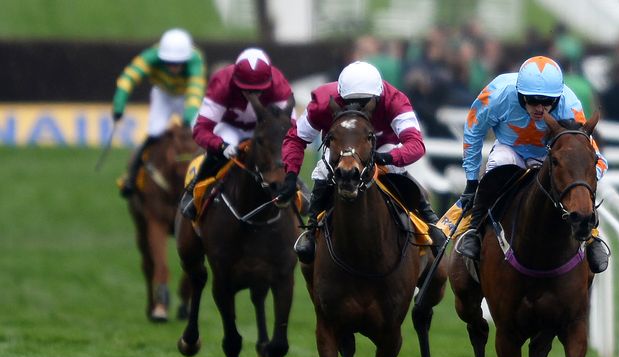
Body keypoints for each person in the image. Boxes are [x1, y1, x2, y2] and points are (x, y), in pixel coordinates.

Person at [276, 61, 445, 264]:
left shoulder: (395, 100)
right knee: (323, 170)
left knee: (394, 169)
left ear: (378, 96)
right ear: (340, 96)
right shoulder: (322, 102)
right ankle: (311, 230)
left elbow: (416, 144)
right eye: (349, 102)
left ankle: (428, 219)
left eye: (365, 102)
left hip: (383, 147)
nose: (358, 107)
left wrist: (388, 158)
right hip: (343, 146)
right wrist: (291, 175)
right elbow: (296, 139)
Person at [454, 55, 611, 273]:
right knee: (499, 162)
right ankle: (475, 231)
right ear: (520, 94)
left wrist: (582, 178)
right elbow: (474, 131)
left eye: (547, 102)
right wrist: (472, 181)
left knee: (573, 176)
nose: (540, 108)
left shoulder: (569, 103)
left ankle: (591, 236)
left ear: (558, 98)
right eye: (532, 99)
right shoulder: (497, 95)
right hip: (510, 150)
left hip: (548, 156)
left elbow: (583, 151)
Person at [179, 48, 295, 219]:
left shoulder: (278, 84)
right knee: (219, 152)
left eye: (258, 91)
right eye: (247, 90)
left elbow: (291, 129)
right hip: (230, 127)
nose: (253, 96)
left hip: (264, 128)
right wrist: (220, 146)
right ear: (235, 80)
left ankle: (299, 190)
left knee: (281, 148)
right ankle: (193, 191)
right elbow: (200, 130)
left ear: (269, 82)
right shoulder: (221, 83)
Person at [114, 28, 206, 197]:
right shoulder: (150, 56)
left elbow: (195, 90)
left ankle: (209, 178)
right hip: (163, 95)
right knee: (154, 132)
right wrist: (119, 105)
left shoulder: (195, 59)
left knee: (199, 135)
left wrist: (187, 118)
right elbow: (128, 77)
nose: (173, 67)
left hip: (186, 95)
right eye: (169, 62)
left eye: (178, 63)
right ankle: (130, 177)